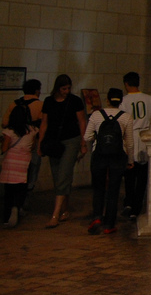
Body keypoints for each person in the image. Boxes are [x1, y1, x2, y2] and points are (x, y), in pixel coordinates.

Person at [36, 74, 87, 228]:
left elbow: (82, 121)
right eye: (64, 88)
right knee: (58, 175)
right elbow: (44, 123)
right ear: (58, 88)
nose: (66, 91)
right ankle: (65, 209)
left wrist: (83, 143)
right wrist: (40, 143)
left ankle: (55, 214)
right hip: (54, 142)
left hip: (71, 140)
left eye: (68, 88)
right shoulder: (49, 101)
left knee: (63, 174)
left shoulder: (75, 101)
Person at [84, 88, 133, 235]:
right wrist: (130, 160)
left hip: (99, 155)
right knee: (114, 189)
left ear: (107, 100)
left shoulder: (96, 115)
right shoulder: (126, 117)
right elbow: (129, 142)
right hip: (118, 156)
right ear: (121, 101)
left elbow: (87, 137)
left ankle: (97, 217)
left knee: (98, 187)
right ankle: (110, 223)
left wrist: (100, 139)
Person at [120, 71, 151, 219]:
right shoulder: (149, 99)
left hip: (130, 136)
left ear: (126, 84)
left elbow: (122, 122)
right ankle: (137, 206)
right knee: (142, 175)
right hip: (145, 136)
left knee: (129, 173)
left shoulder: (124, 100)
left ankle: (129, 202)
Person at [3, 79, 44, 193]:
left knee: (14, 173)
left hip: (15, 144)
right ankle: (26, 196)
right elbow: (44, 125)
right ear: (37, 91)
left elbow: (4, 123)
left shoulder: (14, 104)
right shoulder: (41, 105)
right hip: (33, 143)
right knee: (32, 169)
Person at [1, 104, 38, 227]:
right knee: (21, 187)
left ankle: (7, 217)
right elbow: (33, 146)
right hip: (24, 162)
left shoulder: (9, 132)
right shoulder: (32, 130)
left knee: (9, 191)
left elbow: (5, 148)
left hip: (11, 162)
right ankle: (18, 206)